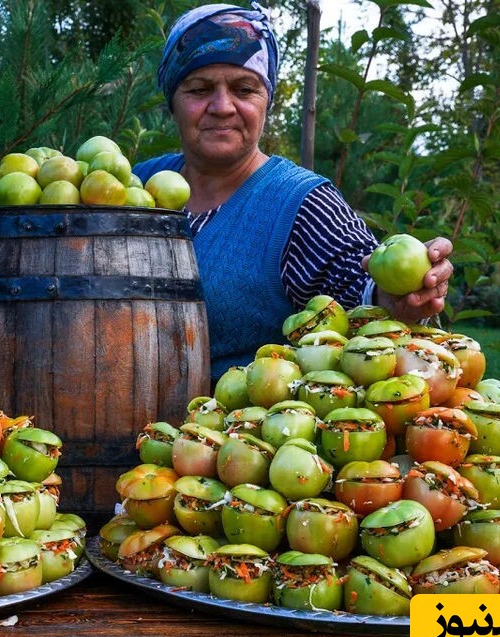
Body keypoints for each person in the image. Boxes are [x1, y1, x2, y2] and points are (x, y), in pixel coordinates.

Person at [132, 3, 453, 380]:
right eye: (199, 89)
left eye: (243, 88)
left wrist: (404, 295)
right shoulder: (138, 185)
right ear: (173, 100)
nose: (222, 107)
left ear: (266, 100)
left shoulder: (300, 203)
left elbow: (363, 292)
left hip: (237, 432)